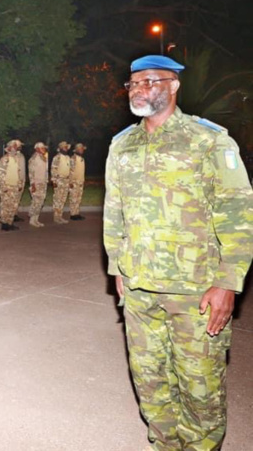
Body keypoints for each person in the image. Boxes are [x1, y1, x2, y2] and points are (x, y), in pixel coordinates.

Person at [104, 55, 253, 450]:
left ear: (173, 86)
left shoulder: (209, 140)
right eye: (133, 83)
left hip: (195, 290)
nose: (139, 89)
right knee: (150, 383)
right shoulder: (122, 146)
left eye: (150, 81)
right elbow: (114, 212)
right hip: (139, 290)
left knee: (200, 390)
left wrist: (228, 281)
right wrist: (117, 267)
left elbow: (238, 213)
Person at [0, 140, 24, 231]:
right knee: (6, 205)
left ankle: (10, 222)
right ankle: (4, 223)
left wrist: (20, 184)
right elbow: (1, 173)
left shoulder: (16, 159)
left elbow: (18, 172)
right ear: (9, 148)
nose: (15, 148)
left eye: (16, 146)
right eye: (14, 146)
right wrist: (3, 186)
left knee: (14, 205)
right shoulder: (5, 158)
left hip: (15, 186)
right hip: (7, 186)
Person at [50, 141, 72, 224]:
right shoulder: (57, 157)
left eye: (67, 147)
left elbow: (70, 170)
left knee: (63, 199)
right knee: (58, 199)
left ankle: (60, 216)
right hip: (59, 180)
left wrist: (70, 180)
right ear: (60, 148)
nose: (66, 148)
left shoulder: (67, 157)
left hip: (66, 180)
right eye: (64, 147)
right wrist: (54, 180)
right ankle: (56, 217)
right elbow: (53, 169)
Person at [27, 142, 48, 227]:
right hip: (37, 183)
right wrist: (33, 184)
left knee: (40, 202)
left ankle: (36, 219)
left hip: (43, 183)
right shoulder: (34, 158)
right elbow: (31, 173)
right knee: (36, 202)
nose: (43, 149)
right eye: (41, 148)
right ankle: (32, 219)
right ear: (37, 149)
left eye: (44, 148)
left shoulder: (43, 157)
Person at [69, 142, 87, 220]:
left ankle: (77, 213)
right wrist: (70, 182)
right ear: (76, 150)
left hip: (80, 181)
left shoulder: (81, 158)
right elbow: (70, 170)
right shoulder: (73, 158)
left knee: (78, 198)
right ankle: (73, 214)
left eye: (82, 149)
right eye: (80, 149)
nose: (82, 150)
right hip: (74, 182)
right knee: (73, 198)